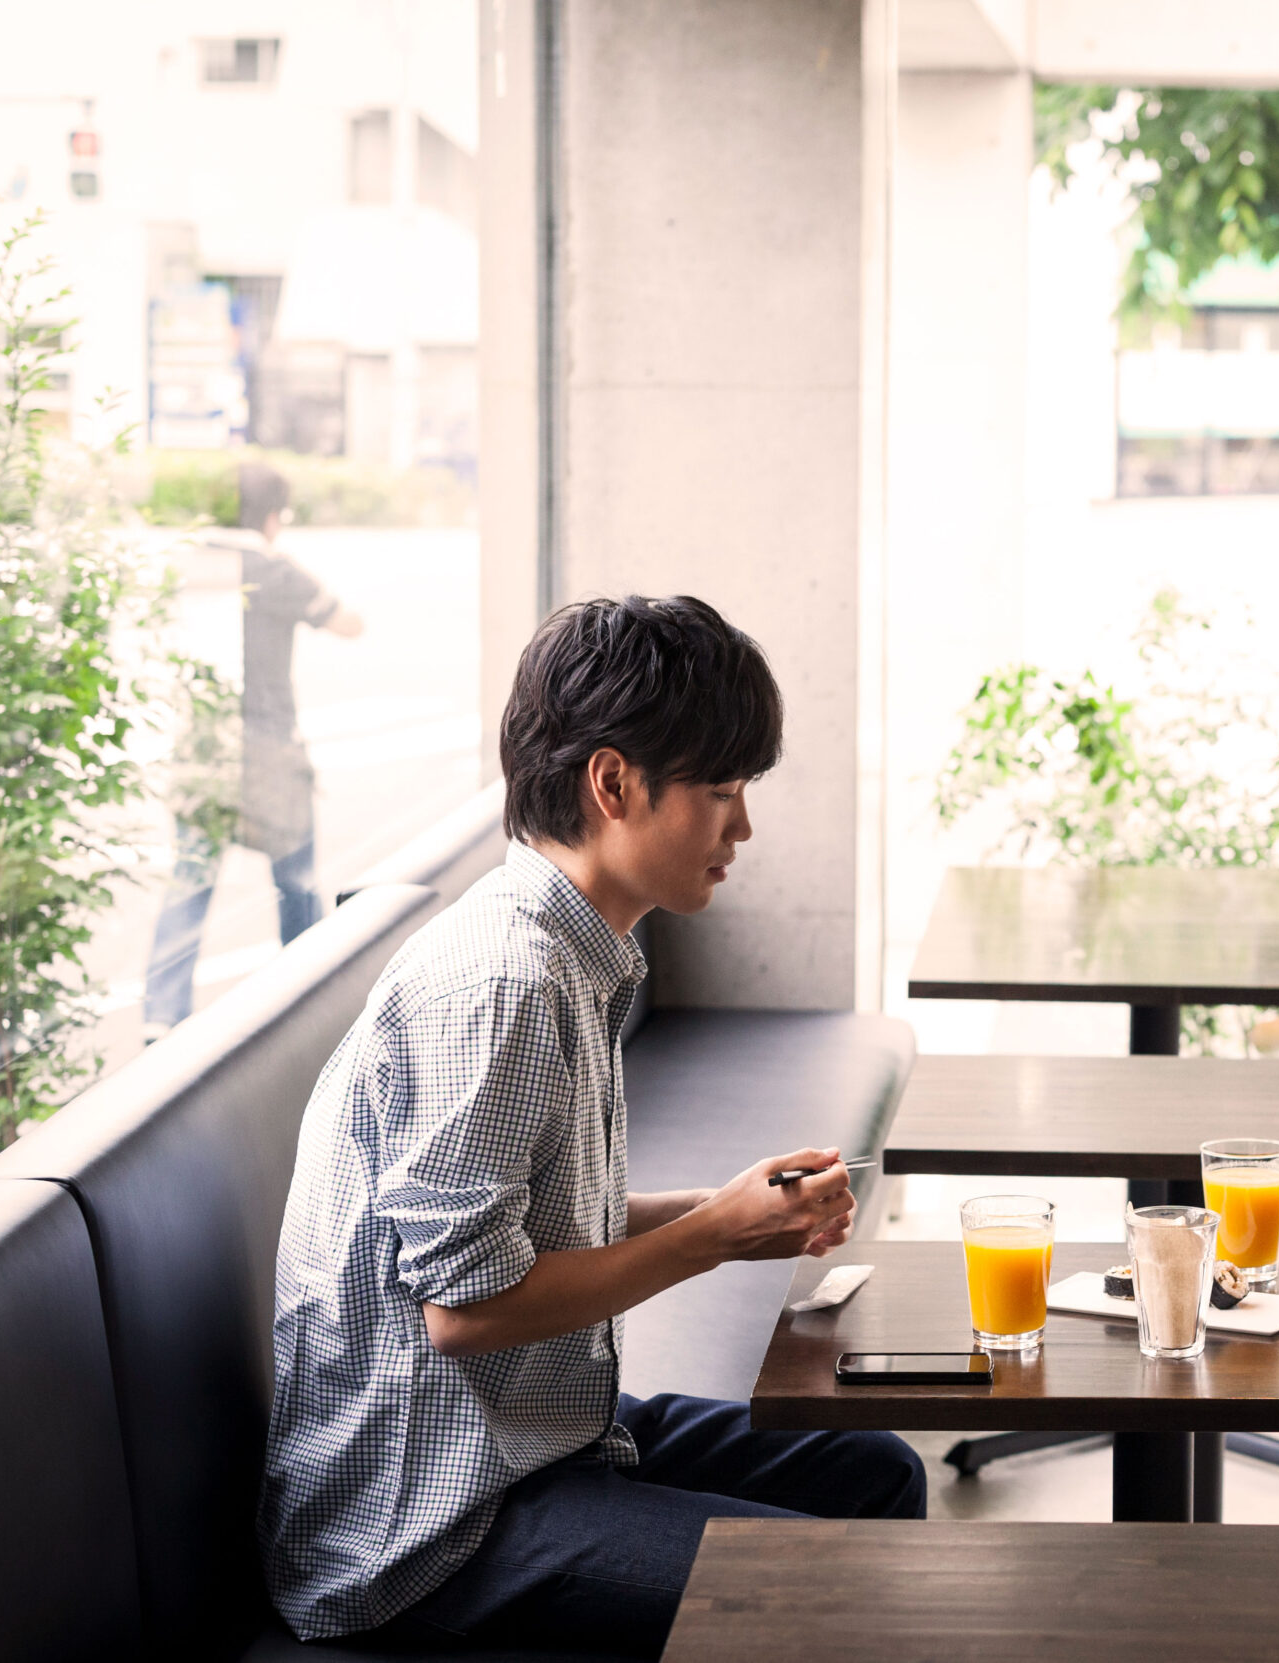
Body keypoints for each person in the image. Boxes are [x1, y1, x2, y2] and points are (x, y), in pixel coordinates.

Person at [259, 596, 926, 1656]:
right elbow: (466, 1310)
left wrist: (728, 1209)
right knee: (836, 1590)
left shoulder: (570, 950)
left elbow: (524, 1226)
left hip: (535, 1441)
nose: (743, 826)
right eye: (721, 790)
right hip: (429, 1525)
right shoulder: (504, 981)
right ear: (613, 783)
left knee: (877, 1470)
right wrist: (710, 1238)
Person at [143, 462, 363, 1035]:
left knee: (189, 882)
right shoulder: (272, 566)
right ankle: (305, 1001)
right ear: (270, 515)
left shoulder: (190, 563)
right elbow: (347, 623)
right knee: (296, 881)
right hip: (267, 756)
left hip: (202, 751)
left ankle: (161, 1020)